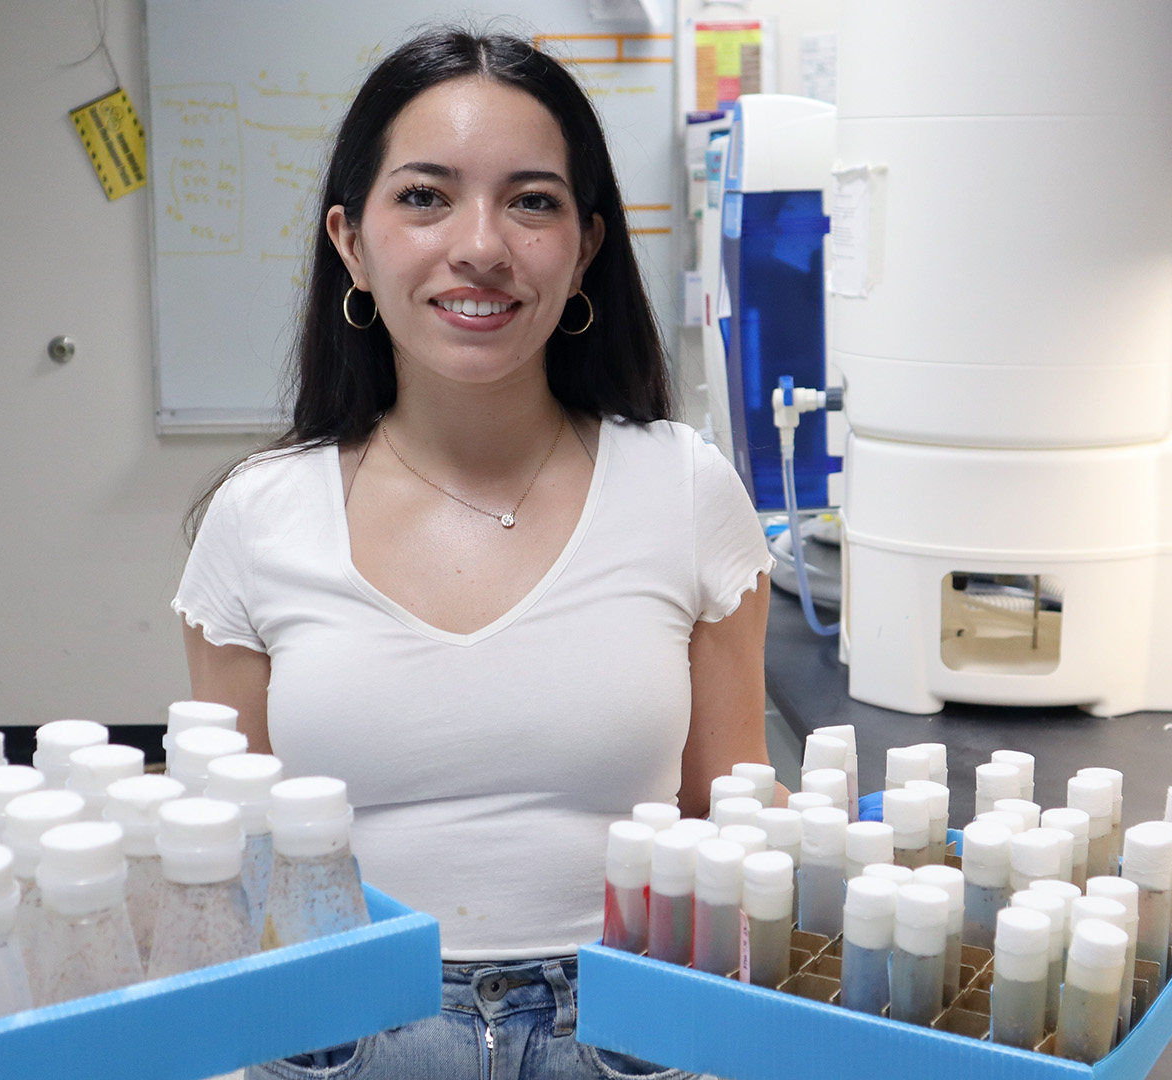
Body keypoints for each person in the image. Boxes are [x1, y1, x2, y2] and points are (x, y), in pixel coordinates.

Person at [174, 27, 778, 1080]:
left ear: (587, 244)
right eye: (424, 196)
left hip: (629, 1034)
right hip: (343, 1035)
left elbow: (731, 814)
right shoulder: (259, 518)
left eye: (533, 200)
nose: (483, 246)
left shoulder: (682, 490)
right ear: (351, 243)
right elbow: (239, 858)